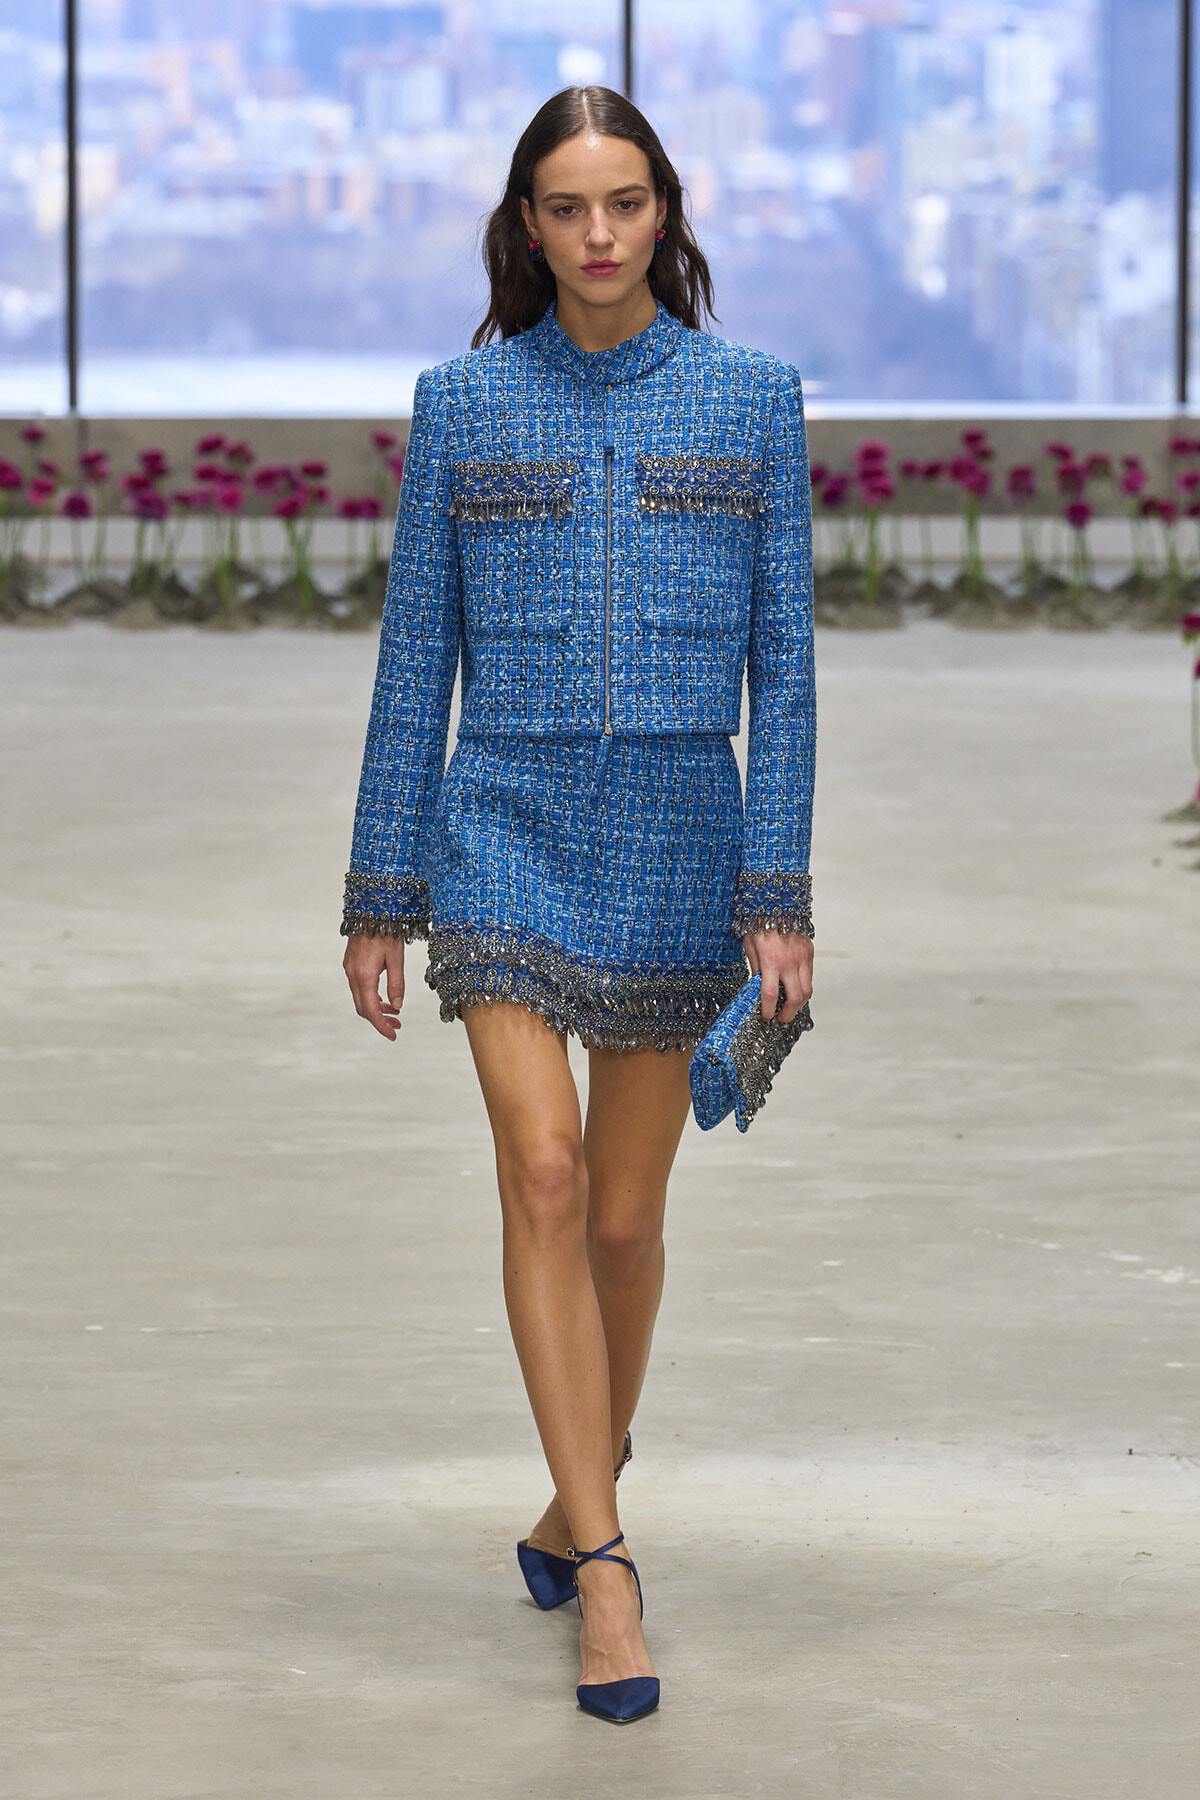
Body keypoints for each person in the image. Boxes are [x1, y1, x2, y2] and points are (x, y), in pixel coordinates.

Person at [341, 84, 815, 1725]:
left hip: (685, 833)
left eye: (626, 204)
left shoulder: (753, 401)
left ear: (664, 215)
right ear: (526, 227)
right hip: (505, 828)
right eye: (566, 207)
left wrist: (782, 892)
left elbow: (789, 673)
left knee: (623, 1221)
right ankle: (608, 1573)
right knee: (539, 1175)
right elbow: (419, 661)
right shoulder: (462, 407)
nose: (599, 235)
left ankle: (572, 1486)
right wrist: (381, 890)